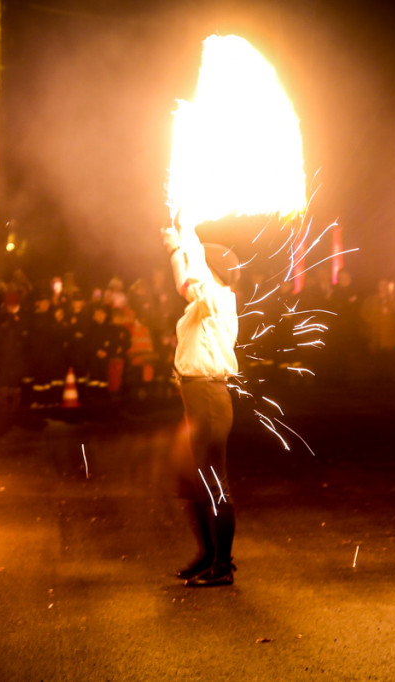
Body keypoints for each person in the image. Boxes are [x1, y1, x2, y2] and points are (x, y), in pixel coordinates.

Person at [162, 216, 240, 587]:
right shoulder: (203, 303)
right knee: (194, 478)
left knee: (212, 481)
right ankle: (209, 556)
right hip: (198, 396)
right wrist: (178, 242)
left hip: (209, 396)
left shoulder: (218, 298)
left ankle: (222, 565)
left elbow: (190, 278)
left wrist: (183, 236)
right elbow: (187, 282)